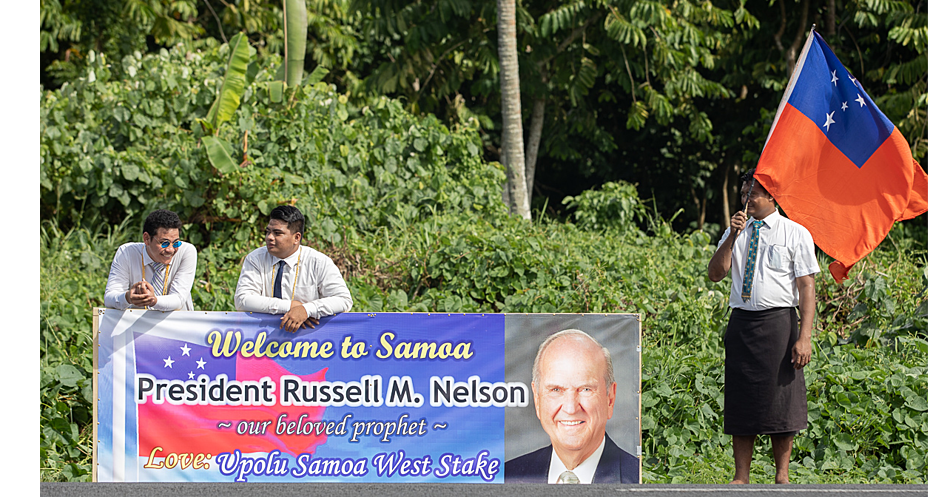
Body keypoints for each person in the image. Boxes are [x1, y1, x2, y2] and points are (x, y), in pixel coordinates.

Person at [707, 171, 819, 484]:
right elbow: (716, 273)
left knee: (782, 401)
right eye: (743, 193)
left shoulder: (795, 233)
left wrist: (804, 336)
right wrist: (732, 236)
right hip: (742, 322)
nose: (746, 200)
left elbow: (807, 285)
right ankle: (740, 476)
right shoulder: (737, 231)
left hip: (780, 324)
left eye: (752, 194)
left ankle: (781, 476)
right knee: (742, 400)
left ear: (772, 197)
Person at [505, 330, 639, 484]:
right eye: (556, 390)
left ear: (610, 398)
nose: (571, 408)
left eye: (585, 389)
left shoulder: (638, 479)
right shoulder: (507, 478)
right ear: (537, 398)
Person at [234, 205, 352, 332]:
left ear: (296, 238)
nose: (269, 237)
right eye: (268, 231)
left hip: (310, 341)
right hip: (262, 338)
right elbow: (242, 300)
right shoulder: (255, 259)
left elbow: (343, 300)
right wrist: (290, 306)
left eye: (277, 233)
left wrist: (307, 310)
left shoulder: (318, 262)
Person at [104, 209, 197, 311]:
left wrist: (153, 300)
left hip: (176, 324)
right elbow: (109, 298)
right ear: (147, 238)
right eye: (164, 243)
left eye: (176, 243)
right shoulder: (126, 252)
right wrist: (128, 297)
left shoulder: (186, 251)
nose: (170, 250)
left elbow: (178, 299)